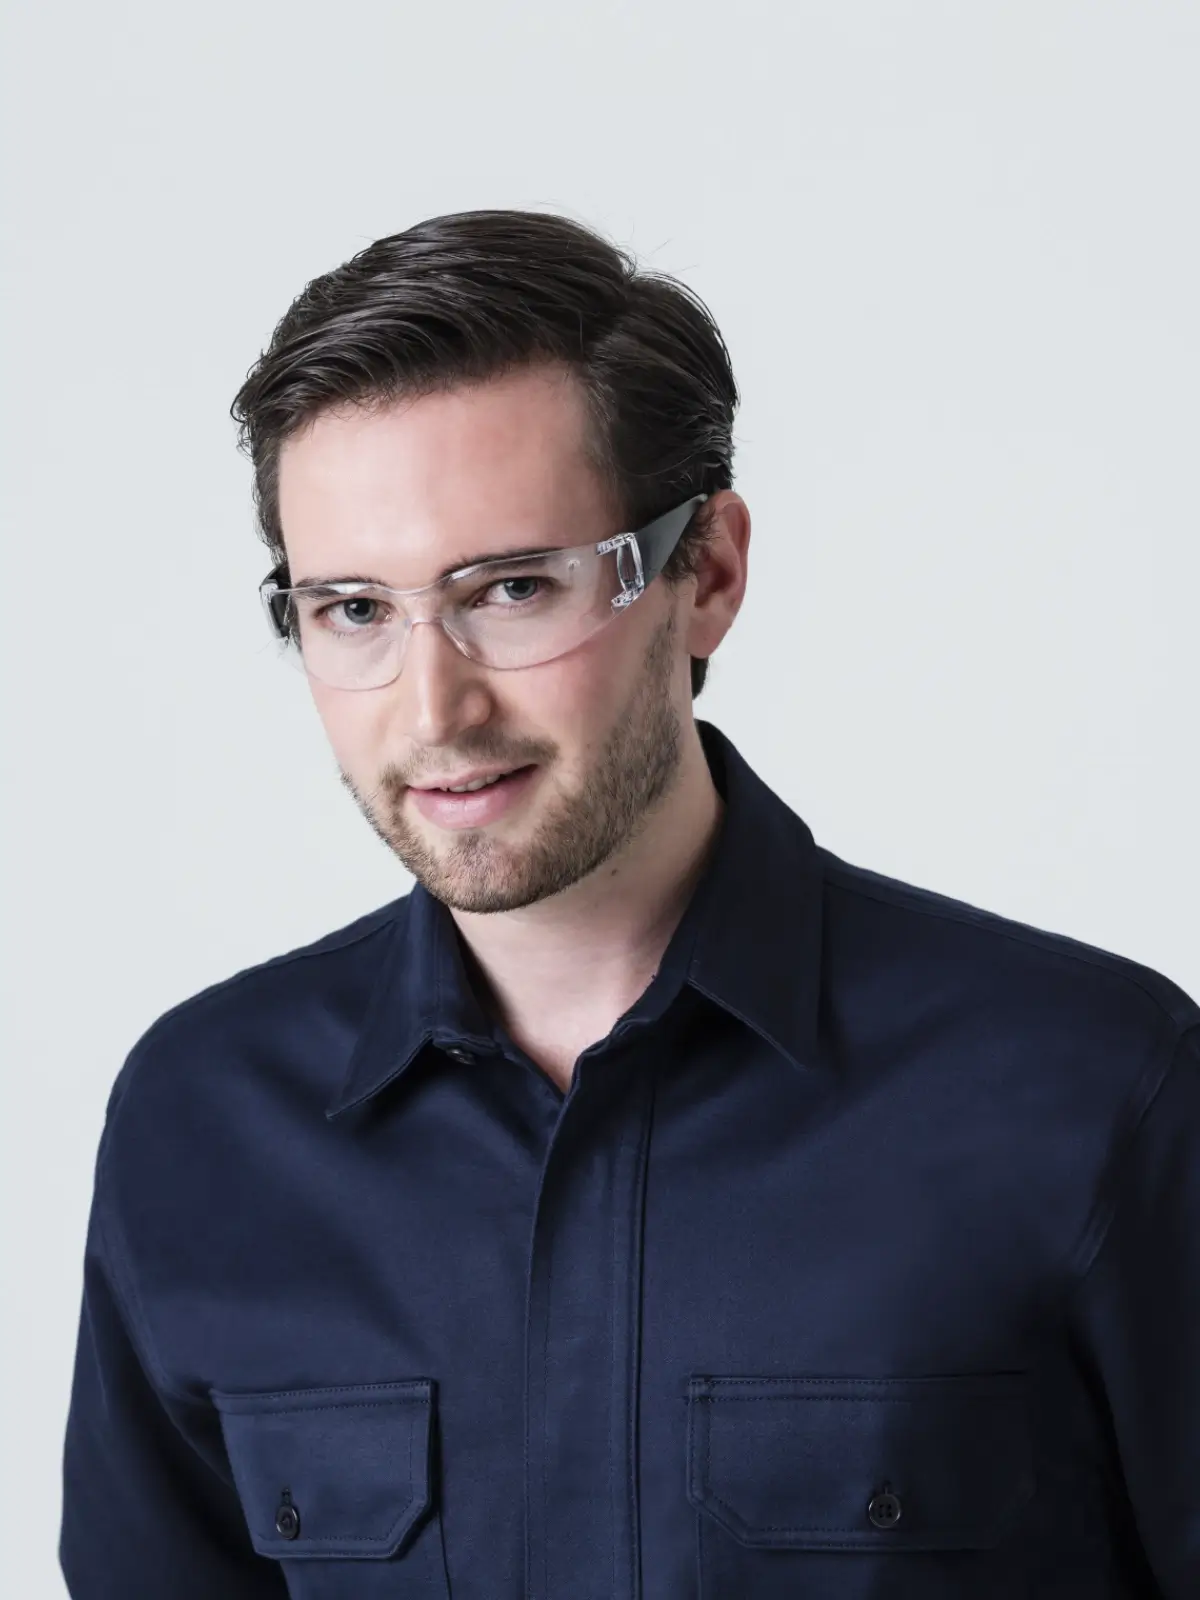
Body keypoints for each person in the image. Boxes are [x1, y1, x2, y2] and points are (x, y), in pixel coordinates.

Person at [59, 208, 1199, 1600]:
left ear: (705, 573)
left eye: (513, 589)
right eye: (353, 609)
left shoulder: (1097, 1091)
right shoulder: (203, 1125)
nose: (434, 710)